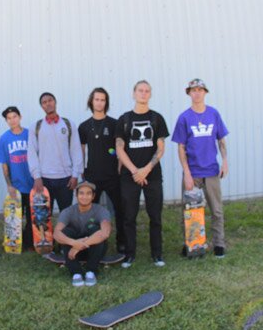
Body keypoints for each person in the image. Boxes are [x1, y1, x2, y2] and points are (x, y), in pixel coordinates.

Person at [172, 79, 230, 258]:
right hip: (193, 172)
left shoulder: (213, 114)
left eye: (200, 90)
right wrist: (187, 174)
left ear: (205, 92)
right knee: (190, 211)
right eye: (193, 90)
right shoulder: (184, 117)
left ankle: (219, 244)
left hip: (211, 171)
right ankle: (192, 243)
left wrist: (225, 161)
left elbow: (221, 140)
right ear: (188, 93)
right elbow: (180, 147)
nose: (197, 93)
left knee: (217, 210)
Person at [115, 80, 169, 268]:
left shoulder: (157, 118)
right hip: (130, 176)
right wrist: (134, 171)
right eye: (140, 90)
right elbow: (120, 148)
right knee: (129, 217)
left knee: (155, 216)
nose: (143, 94)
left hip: (152, 175)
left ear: (150, 95)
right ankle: (130, 254)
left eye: (147, 91)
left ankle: (157, 254)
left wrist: (146, 169)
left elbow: (161, 148)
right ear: (133, 93)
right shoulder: (124, 119)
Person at [78, 87, 124, 255]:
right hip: (92, 177)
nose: (99, 102)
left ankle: (122, 243)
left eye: (103, 100)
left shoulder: (114, 124)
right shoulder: (84, 126)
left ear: (106, 102)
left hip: (113, 176)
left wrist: (120, 166)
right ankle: (93, 243)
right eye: (96, 99)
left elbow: (119, 148)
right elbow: (81, 151)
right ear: (91, 102)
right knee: (91, 214)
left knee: (120, 211)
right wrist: (81, 170)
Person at [27, 92, 83, 215]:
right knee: (44, 217)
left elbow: (76, 150)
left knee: (66, 215)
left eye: (50, 100)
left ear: (55, 102)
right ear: (42, 106)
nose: (48, 104)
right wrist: (36, 177)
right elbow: (31, 154)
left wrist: (75, 175)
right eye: (44, 102)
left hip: (66, 179)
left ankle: (64, 235)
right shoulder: (36, 127)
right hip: (44, 179)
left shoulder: (68, 124)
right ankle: (46, 235)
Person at [54, 181, 111, 287]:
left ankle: (91, 271)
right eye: (81, 193)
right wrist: (74, 243)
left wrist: (79, 246)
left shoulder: (100, 210)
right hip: (72, 253)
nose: (85, 196)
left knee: (96, 229)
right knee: (65, 232)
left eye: (88, 193)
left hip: (93, 251)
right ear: (76, 195)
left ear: (93, 196)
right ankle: (76, 273)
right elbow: (56, 233)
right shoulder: (68, 211)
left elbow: (105, 232)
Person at [0, 105, 34, 250]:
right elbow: (4, 164)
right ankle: (16, 243)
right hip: (16, 186)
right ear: (6, 121)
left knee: (32, 217)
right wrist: (9, 184)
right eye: (9, 118)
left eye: (14, 117)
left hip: (32, 184)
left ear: (20, 117)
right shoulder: (4, 139)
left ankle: (30, 242)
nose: (12, 120)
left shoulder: (30, 135)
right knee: (16, 217)